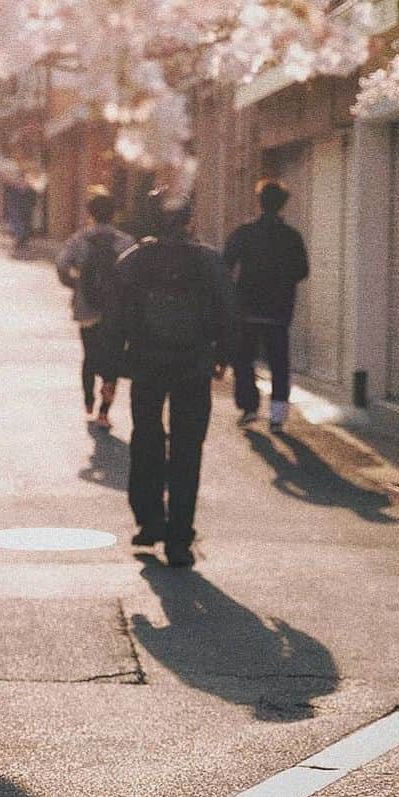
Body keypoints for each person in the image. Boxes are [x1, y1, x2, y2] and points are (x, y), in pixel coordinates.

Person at [115, 188, 234, 567]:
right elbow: (229, 310)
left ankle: (150, 522)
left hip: (146, 364)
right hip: (193, 365)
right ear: (188, 220)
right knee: (187, 449)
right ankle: (180, 538)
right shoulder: (208, 261)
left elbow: (115, 314)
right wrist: (223, 355)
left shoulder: (134, 261)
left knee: (146, 439)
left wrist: (113, 364)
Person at [222, 178, 310, 433]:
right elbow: (303, 270)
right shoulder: (292, 237)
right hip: (279, 310)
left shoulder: (245, 233)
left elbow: (225, 264)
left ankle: (249, 406)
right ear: (282, 205)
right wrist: (282, 280)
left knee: (244, 359)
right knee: (279, 362)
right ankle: (277, 416)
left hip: (247, 308)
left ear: (259, 203)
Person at [55, 187, 133, 427]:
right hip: (115, 311)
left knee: (89, 355)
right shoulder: (125, 241)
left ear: (90, 213)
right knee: (113, 358)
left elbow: (61, 266)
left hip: (87, 308)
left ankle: (88, 398)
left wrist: (76, 285)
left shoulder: (79, 240)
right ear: (114, 214)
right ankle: (104, 411)